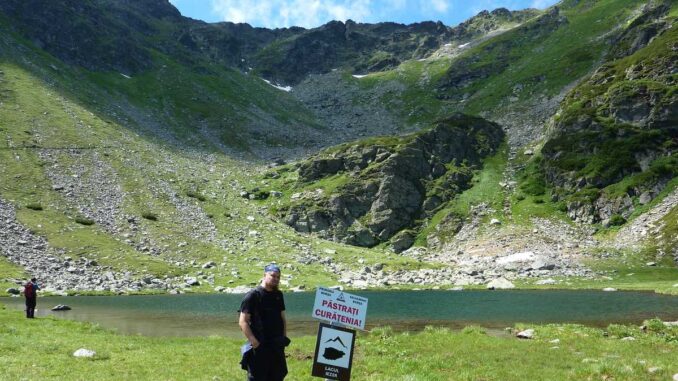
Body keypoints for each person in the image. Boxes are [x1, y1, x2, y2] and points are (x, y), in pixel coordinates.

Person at [239, 264, 290, 381]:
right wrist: (254, 341)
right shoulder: (252, 296)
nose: (276, 279)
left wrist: (284, 338)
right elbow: (243, 321)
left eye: (278, 277)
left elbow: (282, 318)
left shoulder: (278, 295)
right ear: (264, 275)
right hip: (259, 345)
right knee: (258, 377)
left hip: (276, 344)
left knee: (277, 376)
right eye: (273, 276)